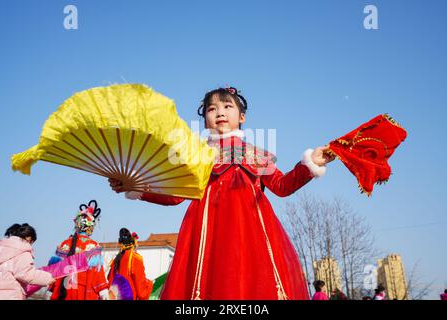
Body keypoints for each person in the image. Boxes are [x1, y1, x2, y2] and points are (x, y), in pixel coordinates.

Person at [109, 87, 335, 299]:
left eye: (227, 106)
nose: (219, 112)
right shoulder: (195, 156)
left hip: (251, 235)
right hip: (207, 233)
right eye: (211, 109)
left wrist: (309, 165)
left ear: (242, 117)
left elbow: (282, 186)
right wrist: (137, 187)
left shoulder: (256, 155)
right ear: (205, 120)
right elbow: (175, 196)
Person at [49, 200, 109, 300]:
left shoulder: (64, 244)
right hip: (82, 292)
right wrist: (103, 291)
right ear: (91, 227)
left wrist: (50, 290)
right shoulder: (92, 246)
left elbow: (53, 272)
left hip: (63, 291)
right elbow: (97, 274)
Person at [0, 223, 55, 300]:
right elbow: (26, 274)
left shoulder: (0, 248)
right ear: (29, 238)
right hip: (11, 295)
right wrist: (48, 278)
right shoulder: (22, 252)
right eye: (32, 242)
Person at [107, 228, 153, 300]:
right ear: (134, 243)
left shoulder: (116, 259)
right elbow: (141, 289)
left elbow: (109, 279)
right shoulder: (135, 258)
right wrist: (150, 284)